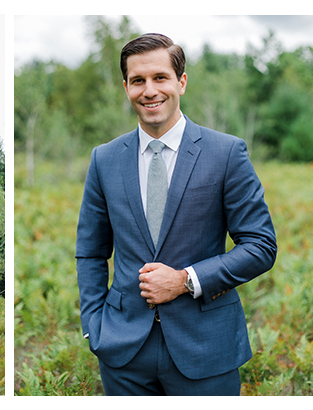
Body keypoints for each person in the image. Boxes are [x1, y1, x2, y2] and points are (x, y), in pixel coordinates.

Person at [76, 33, 277, 395]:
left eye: (160, 78)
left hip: (206, 349)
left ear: (181, 82)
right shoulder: (103, 159)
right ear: (126, 88)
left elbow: (260, 246)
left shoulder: (226, 153)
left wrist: (185, 279)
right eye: (138, 81)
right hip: (122, 352)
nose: (149, 90)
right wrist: (94, 325)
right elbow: (91, 250)